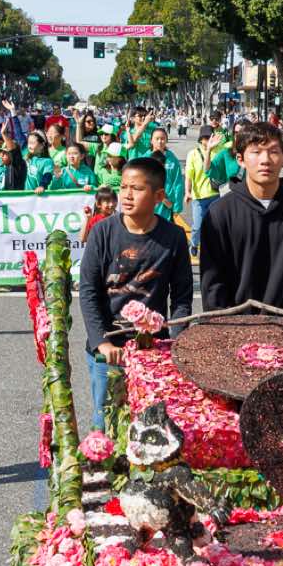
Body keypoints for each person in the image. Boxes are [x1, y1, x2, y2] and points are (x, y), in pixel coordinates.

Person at [76, 155, 193, 432]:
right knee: (106, 424)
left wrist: (174, 343)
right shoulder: (102, 232)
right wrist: (102, 342)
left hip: (154, 350)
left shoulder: (174, 237)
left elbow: (181, 297)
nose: (127, 195)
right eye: (124, 187)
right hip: (109, 350)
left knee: (152, 427)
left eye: (137, 188)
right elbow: (89, 292)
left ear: (158, 196)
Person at [197, 121, 283, 329]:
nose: (265, 160)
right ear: (240, 159)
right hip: (232, 328)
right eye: (256, 152)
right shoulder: (219, 214)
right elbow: (212, 281)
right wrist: (219, 329)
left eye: (273, 152)